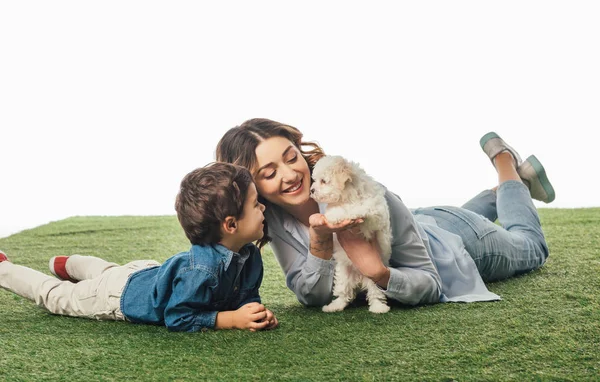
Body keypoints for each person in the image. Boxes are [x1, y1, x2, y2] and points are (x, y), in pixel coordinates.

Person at [215, 118, 555, 308]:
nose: (289, 175)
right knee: (423, 224)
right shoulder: (272, 218)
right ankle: (496, 195)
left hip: (459, 243)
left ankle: (508, 168)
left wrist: (380, 274)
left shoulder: (360, 191)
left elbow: (431, 283)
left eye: (291, 158)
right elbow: (310, 294)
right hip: (419, 222)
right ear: (253, 185)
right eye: (269, 172)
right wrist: (319, 242)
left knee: (531, 247)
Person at [0, 162, 278, 332]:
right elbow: (177, 317)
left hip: (145, 273)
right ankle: (6, 269)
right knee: (60, 296)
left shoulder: (248, 252)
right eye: (256, 204)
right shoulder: (202, 272)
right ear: (231, 225)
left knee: (111, 271)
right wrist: (231, 320)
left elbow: (247, 293)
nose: (263, 207)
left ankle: (68, 264)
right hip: (118, 297)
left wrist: (255, 312)